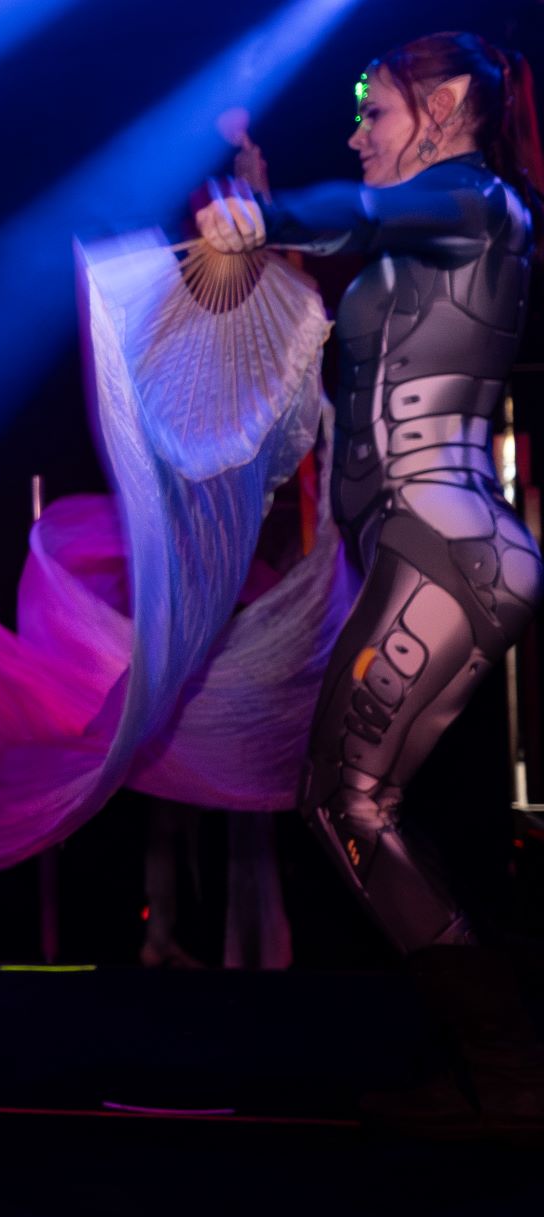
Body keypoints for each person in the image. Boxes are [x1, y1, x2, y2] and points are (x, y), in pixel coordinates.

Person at [198, 32, 544, 1133]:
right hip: (415, 553)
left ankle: (512, 1072)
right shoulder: (421, 239)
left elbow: (355, 210)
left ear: (446, 106)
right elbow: (352, 245)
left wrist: (270, 214)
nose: (357, 133)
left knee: (345, 800)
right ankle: (489, 1067)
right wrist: (266, 212)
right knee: (361, 808)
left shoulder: (479, 205)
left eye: (376, 112)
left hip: (447, 546)